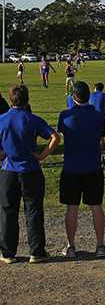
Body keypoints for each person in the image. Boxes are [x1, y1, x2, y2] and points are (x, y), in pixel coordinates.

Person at [0, 84, 60, 264]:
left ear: (10, 100)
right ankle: (36, 250)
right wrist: (42, 155)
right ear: (27, 100)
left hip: (9, 169)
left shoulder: (2, 119)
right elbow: (55, 137)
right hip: (30, 169)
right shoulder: (33, 119)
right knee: (33, 211)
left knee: (8, 211)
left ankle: (8, 252)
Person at [57, 81, 105, 259]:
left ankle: (71, 245)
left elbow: (63, 133)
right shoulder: (98, 116)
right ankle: (100, 245)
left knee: (72, 207)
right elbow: (101, 137)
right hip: (93, 166)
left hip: (71, 166)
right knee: (96, 206)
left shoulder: (65, 115)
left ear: (73, 98)